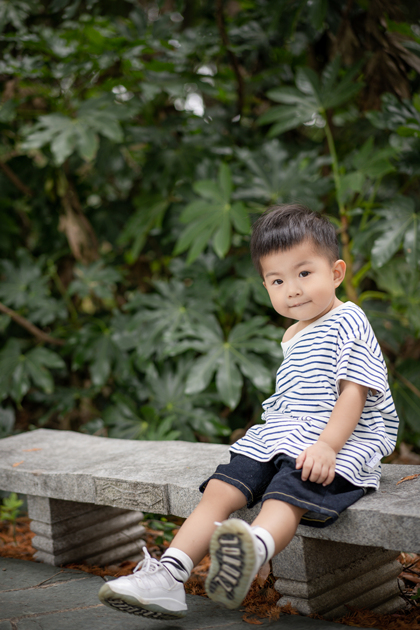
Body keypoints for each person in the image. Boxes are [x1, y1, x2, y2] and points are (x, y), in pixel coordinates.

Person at [98, 204, 399, 620]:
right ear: (265, 285)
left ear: (336, 273)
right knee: (221, 490)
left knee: (287, 493)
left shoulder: (348, 319)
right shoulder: (294, 332)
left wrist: (328, 446)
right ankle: (168, 576)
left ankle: (251, 549)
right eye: (278, 280)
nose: (292, 289)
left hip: (335, 440)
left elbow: (354, 392)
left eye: (304, 273)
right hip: (282, 435)